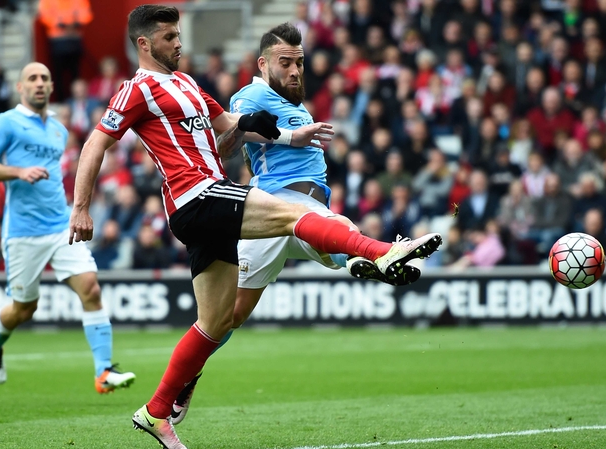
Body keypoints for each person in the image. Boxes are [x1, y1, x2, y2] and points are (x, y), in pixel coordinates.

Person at [67, 7, 442, 448]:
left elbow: (227, 125)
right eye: (168, 37)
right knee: (294, 217)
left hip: (210, 198)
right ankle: (381, 252)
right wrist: (81, 208)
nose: (178, 43)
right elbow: (96, 143)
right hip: (195, 194)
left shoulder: (187, 84)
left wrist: (267, 131)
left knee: (217, 322)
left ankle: (156, 412)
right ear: (144, 45)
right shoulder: (137, 89)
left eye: (178, 34)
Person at [167, 22, 440, 430]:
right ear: (263, 63)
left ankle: (371, 258)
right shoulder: (251, 94)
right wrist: (283, 136)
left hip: (308, 212)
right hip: (275, 205)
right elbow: (224, 147)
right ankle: (377, 255)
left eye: (299, 62)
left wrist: (294, 130)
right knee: (228, 316)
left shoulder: (300, 106)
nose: (295, 71)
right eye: (285, 63)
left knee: (240, 311)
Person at [0, 62, 135, 394]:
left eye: (45, 78)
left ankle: (103, 373)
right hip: (22, 232)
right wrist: (19, 172)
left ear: (50, 87)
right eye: (31, 78)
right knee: (24, 308)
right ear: (20, 87)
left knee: (90, 288)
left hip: (60, 224)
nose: (39, 83)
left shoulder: (59, 130)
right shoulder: (6, 122)